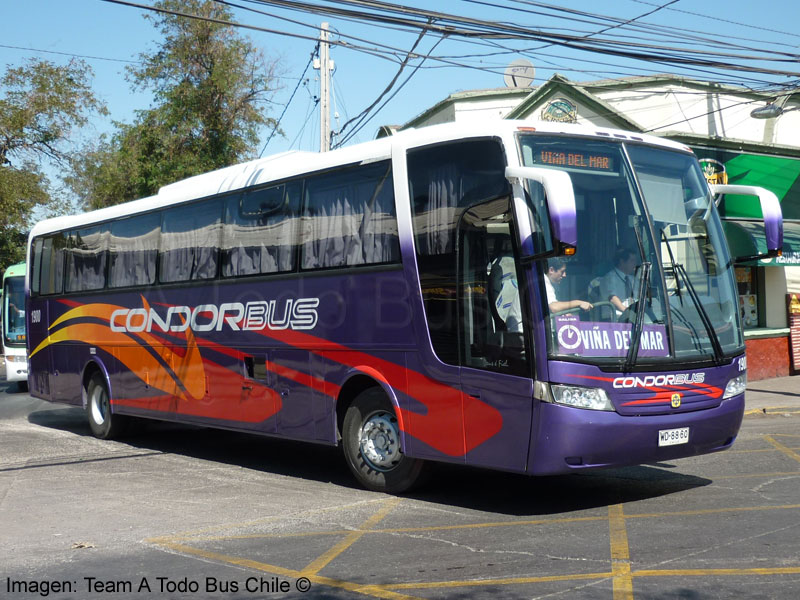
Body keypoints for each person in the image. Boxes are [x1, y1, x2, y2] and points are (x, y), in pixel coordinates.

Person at [599, 248, 639, 315]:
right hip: (614, 319)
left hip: (633, 318)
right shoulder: (609, 278)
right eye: (632, 261)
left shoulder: (634, 280)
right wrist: (627, 312)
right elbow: (612, 298)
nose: (635, 264)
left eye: (635, 261)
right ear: (622, 261)